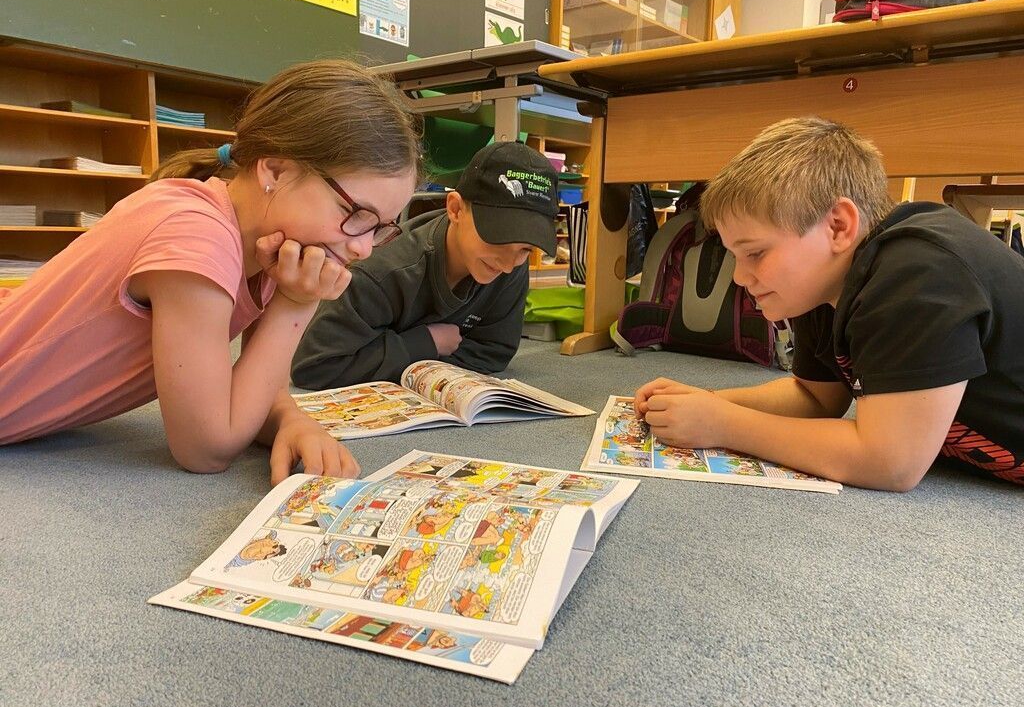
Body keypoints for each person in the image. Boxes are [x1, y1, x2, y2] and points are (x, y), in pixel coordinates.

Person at [0, 59, 420, 485]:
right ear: (275, 170)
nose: (363, 247)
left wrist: (291, 419)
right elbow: (206, 448)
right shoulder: (197, 238)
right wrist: (296, 304)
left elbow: (255, 392)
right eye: (356, 214)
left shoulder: (270, 240)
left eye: (381, 227)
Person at [634, 116, 1024, 492]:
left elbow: (891, 463)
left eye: (754, 253)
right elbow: (816, 398)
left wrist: (724, 424)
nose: (739, 276)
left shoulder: (919, 273)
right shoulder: (821, 283)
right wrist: (705, 403)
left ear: (837, 226)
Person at [290, 141, 559, 389]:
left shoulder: (509, 268)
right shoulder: (381, 271)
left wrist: (405, 362)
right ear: (455, 209)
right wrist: (426, 342)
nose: (509, 264)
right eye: (497, 239)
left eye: (525, 248)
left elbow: (494, 352)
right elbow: (315, 366)